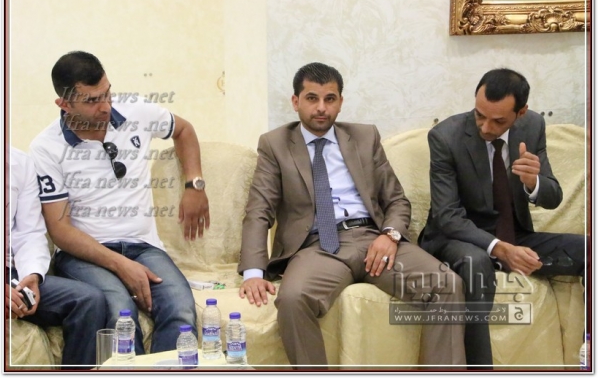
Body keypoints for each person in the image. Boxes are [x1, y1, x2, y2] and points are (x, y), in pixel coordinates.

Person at [237, 62, 466, 367]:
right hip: (318, 247)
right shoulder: (275, 144)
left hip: (375, 239)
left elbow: (397, 200)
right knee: (292, 299)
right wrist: (253, 273)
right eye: (312, 98)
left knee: (447, 284)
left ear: (341, 102)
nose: (321, 108)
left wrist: (390, 235)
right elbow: (259, 209)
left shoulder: (364, 137)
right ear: (295, 102)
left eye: (330, 99)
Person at [29, 51, 210, 356]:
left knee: (181, 309)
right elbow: (60, 230)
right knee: (119, 313)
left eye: (107, 93)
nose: (105, 106)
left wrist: (195, 184)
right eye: (92, 100)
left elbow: (184, 130)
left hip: (144, 247)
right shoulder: (46, 148)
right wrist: (121, 265)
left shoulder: (135, 109)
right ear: (64, 104)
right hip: (84, 256)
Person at [418, 68, 586, 369]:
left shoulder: (533, 125)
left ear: (520, 113)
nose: (485, 127)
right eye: (479, 115)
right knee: (477, 263)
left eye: (498, 121)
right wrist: (498, 248)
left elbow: (553, 197)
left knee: (590, 251)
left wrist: (533, 183)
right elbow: (447, 216)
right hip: (458, 239)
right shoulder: (445, 136)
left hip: (514, 234)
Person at [7, 147, 107, 369]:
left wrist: (32, 275)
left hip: (11, 274)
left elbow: (29, 233)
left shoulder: (19, 163)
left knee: (88, 300)